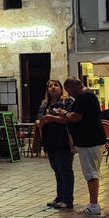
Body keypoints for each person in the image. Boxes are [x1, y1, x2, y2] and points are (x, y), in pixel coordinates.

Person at [62, 77, 106, 216]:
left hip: (89, 141)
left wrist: (65, 114)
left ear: (74, 87)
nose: (69, 94)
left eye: (69, 91)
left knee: (90, 172)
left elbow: (76, 117)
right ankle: (93, 204)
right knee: (91, 171)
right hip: (92, 139)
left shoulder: (84, 97)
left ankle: (94, 205)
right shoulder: (88, 96)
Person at [36, 79, 74, 210]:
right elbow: (39, 119)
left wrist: (51, 118)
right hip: (49, 139)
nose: (53, 88)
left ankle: (67, 199)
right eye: (50, 86)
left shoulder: (67, 102)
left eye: (56, 85)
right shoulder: (44, 104)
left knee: (65, 169)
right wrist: (40, 122)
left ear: (61, 88)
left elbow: (69, 118)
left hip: (63, 139)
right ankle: (60, 197)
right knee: (56, 169)